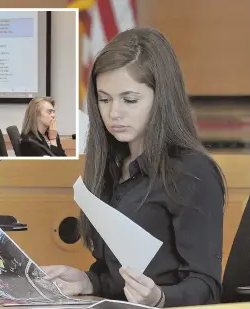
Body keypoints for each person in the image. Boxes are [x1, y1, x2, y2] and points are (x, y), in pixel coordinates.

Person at [41, 27, 226, 308]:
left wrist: (160, 298)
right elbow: (117, 275)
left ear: (161, 99)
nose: (114, 113)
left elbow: (207, 286)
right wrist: (87, 281)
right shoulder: (111, 164)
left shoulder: (192, 172)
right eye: (104, 99)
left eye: (130, 100)